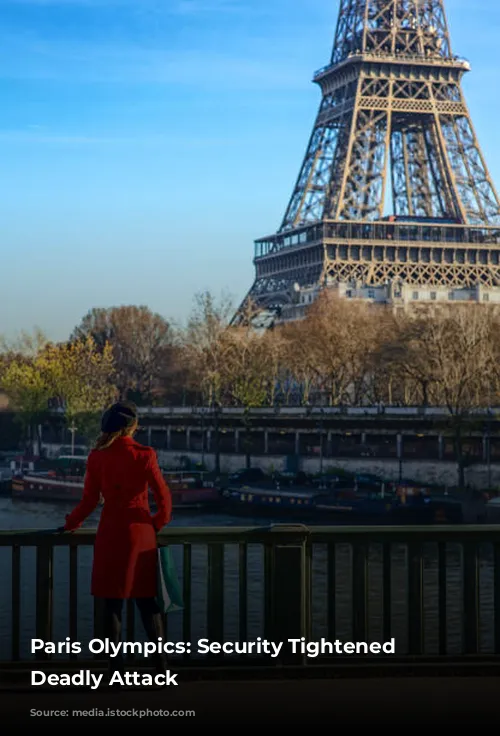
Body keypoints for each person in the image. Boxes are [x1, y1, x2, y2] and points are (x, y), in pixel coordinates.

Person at [63, 401, 172, 680]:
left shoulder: (97, 457)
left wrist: (70, 524)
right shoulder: (145, 455)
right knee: (148, 605)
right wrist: (154, 525)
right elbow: (164, 501)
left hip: (110, 533)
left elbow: (88, 502)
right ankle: (160, 670)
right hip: (141, 534)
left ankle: (114, 674)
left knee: (111, 605)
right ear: (131, 427)